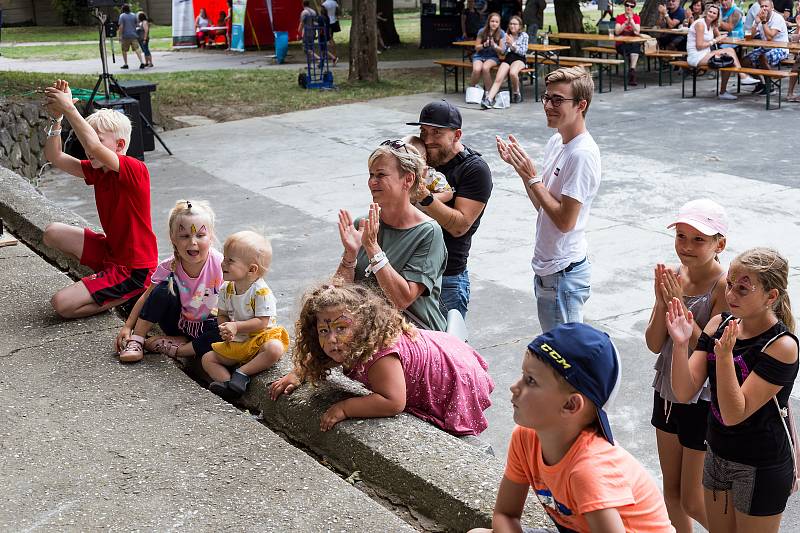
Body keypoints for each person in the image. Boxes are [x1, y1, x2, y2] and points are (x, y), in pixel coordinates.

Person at [467, 323, 675, 533]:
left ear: (570, 405)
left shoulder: (588, 469)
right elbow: (505, 514)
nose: (514, 386)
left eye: (530, 381)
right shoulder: (525, 438)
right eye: (523, 375)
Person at [666, 248, 798, 532]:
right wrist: (680, 343)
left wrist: (724, 357)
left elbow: (734, 413)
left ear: (771, 297)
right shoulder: (720, 323)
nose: (731, 295)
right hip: (718, 453)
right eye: (730, 285)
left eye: (743, 289)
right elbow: (683, 391)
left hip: (760, 465)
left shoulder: (782, 346)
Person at [269, 282, 494, 436]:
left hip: (453, 375)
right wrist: (300, 372)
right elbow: (327, 358)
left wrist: (345, 408)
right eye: (324, 331)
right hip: (442, 349)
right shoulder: (350, 344)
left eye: (341, 328)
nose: (332, 340)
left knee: (449, 431)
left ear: (363, 327)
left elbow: (393, 402)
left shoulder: (380, 356)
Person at [644, 199, 729, 533]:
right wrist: (663, 300)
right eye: (681, 237)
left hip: (700, 397)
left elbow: (710, 352)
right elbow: (653, 343)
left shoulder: (723, 286)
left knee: (693, 498)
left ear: (719, 244)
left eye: (699, 240)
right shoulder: (674, 277)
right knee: (672, 492)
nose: (687, 247)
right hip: (667, 390)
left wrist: (678, 304)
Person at [42, 79, 158, 319]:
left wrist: (70, 109)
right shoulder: (98, 170)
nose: (87, 147)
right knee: (51, 232)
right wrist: (57, 118)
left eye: (97, 138)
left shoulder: (135, 169)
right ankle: (104, 282)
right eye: (86, 140)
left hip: (135, 267)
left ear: (120, 145)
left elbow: (94, 148)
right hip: (112, 252)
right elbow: (55, 157)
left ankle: (130, 293)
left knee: (61, 304)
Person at [496, 67, 600, 333]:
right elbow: (543, 206)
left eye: (558, 100)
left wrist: (533, 178)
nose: (548, 106)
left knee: (564, 363)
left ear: (581, 105)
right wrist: (524, 173)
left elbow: (565, 221)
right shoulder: (557, 142)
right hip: (549, 270)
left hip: (564, 274)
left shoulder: (582, 154)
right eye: (546, 98)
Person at [335, 140, 447, 332]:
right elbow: (338, 297)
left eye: (381, 175)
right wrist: (350, 256)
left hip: (415, 338)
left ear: (408, 179)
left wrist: (372, 249)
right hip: (369, 335)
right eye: (371, 175)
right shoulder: (363, 225)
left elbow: (402, 300)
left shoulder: (428, 233)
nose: (372, 182)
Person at [407, 100, 493, 320]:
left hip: (446, 280)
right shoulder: (420, 159)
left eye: (436, 133)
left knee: (448, 351)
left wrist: (425, 197)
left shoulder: (474, 169)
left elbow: (459, 226)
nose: (427, 140)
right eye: (424, 131)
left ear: (456, 135)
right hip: (409, 274)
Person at [116, 200, 223, 363]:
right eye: (185, 236)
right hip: (178, 322)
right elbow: (147, 297)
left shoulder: (220, 263)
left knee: (224, 330)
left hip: (206, 325)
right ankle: (137, 340)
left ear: (211, 237)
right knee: (164, 287)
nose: (193, 242)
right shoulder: (169, 267)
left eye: (200, 235)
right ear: (173, 238)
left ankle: (180, 349)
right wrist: (128, 327)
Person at [203, 231, 289, 400]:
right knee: (207, 359)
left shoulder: (260, 292)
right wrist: (225, 327)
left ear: (251, 269)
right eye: (224, 258)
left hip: (259, 339)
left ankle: (242, 373)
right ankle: (228, 385)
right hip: (238, 340)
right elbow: (222, 314)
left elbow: (262, 322)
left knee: (274, 348)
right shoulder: (226, 288)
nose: (223, 263)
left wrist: (236, 326)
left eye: (230, 260)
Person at [686, 3, 760, 100]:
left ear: (717, 16)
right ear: (706, 12)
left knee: (729, 58)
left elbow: (718, 36)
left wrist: (718, 31)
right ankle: (742, 76)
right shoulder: (700, 24)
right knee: (729, 52)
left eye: (714, 13)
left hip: (705, 54)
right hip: (696, 56)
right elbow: (699, 46)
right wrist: (715, 40)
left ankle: (723, 91)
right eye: (710, 12)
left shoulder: (710, 24)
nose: (711, 14)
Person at [743, 0, 790, 96]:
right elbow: (749, 37)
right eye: (762, 6)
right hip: (765, 48)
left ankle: (770, 86)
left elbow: (770, 37)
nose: (763, 8)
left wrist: (763, 21)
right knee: (745, 61)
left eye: (766, 6)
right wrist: (756, 23)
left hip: (781, 48)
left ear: (772, 8)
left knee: (762, 57)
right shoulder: (759, 18)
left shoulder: (777, 18)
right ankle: (761, 83)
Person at [483, 15, 528, 106]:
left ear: (520, 26)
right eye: (511, 24)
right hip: (508, 58)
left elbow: (523, 52)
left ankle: (516, 92)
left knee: (513, 73)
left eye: (515, 24)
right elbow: (503, 52)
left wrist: (513, 44)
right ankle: (489, 99)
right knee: (498, 78)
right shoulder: (506, 35)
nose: (512, 26)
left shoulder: (524, 35)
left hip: (519, 58)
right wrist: (494, 46)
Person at [470, 12, 506, 103]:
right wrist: (484, 45)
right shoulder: (482, 31)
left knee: (485, 68)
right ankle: (472, 90)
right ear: (488, 22)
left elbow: (502, 51)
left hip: (492, 56)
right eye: (492, 21)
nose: (494, 23)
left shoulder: (501, 33)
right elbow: (476, 48)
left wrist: (494, 46)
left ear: (499, 23)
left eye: (496, 22)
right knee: (477, 69)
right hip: (479, 55)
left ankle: (489, 93)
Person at [614, 0, 643, 86]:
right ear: (624, 6)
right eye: (627, 5)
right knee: (635, 48)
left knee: (635, 45)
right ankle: (632, 72)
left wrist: (632, 21)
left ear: (633, 7)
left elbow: (637, 31)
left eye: (631, 6)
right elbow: (617, 32)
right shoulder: (620, 17)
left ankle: (632, 71)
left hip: (633, 43)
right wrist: (626, 23)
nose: (629, 7)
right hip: (621, 43)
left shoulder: (637, 17)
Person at [119, 4, 145, 69]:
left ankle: (126, 64)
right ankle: (142, 62)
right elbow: (137, 24)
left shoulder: (122, 16)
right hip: (134, 35)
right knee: (137, 49)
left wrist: (120, 36)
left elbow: (121, 26)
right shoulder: (134, 15)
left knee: (124, 50)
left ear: (123, 9)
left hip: (125, 36)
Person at [321, 0, 340, 64]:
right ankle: (333, 56)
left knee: (328, 39)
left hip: (327, 22)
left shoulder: (325, 4)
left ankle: (334, 57)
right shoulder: (334, 2)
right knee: (330, 39)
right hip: (334, 21)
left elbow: (322, 12)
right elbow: (337, 11)